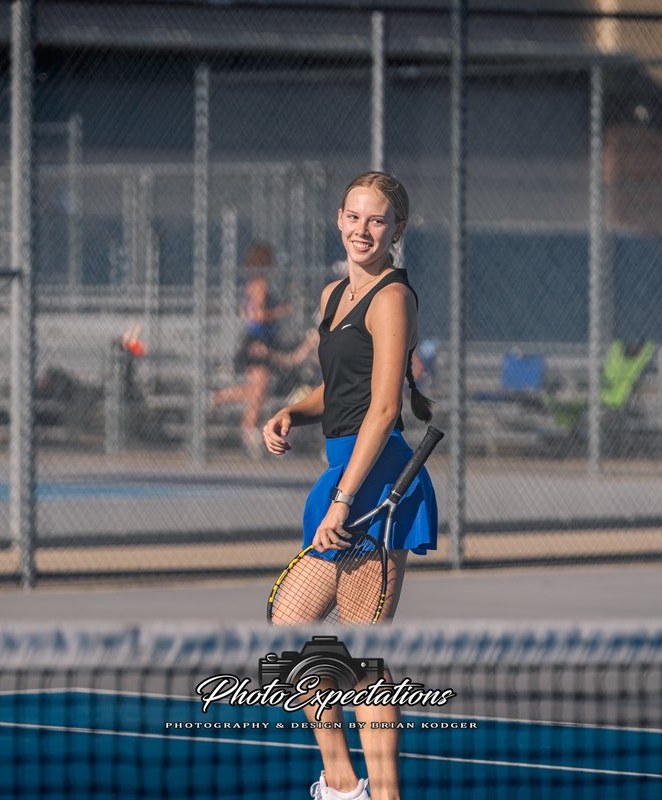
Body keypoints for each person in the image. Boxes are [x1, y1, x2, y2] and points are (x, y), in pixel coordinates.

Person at [261, 171, 437, 800]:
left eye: (377, 220)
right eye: (354, 217)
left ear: (397, 230)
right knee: (289, 624)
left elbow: (383, 409)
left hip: (377, 484)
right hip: (342, 474)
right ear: (339, 219)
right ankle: (341, 782)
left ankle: (383, 795)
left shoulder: (392, 299)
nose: (363, 230)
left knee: (362, 656)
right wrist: (293, 409)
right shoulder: (334, 294)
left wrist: (343, 500)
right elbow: (338, 389)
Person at [211, 241, 293, 457]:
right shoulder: (259, 285)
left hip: (261, 339)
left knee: (258, 388)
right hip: (258, 339)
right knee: (258, 388)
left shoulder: (253, 284)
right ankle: (246, 427)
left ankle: (222, 401)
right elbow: (257, 316)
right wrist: (281, 311)